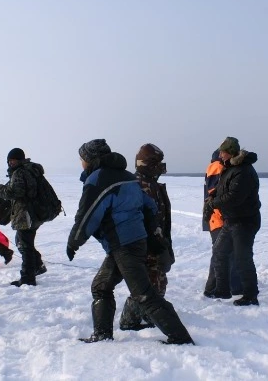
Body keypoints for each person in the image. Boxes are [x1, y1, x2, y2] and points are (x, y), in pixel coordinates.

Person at [67, 139, 194, 345]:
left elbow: (88, 214)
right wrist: (151, 232)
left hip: (124, 245)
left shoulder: (98, 179)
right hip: (131, 243)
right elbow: (150, 206)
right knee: (101, 286)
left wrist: (74, 241)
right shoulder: (127, 177)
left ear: (90, 159)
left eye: (82, 159)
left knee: (144, 295)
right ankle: (102, 334)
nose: (81, 163)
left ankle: (180, 337)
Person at [118, 143, 174, 331]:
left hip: (157, 244)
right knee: (145, 287)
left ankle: (150, 315)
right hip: (144, 246)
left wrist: (165, 245)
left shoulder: (152, 185)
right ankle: (129, 321)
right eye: (157, 163)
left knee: (158, 282)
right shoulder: (136, 186)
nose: (161, 167)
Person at [204, 137, 261, 306]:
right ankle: (223, 289)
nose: (220, 154)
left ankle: (250, 295)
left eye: (222, 152)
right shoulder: (230, 168)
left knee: (242, 258)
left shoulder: (243, 170)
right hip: (231, 220)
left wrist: (213, 203)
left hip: (244, 221)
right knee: (220, 252)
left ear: (230, 152)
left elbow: (234, 197)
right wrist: (213, 197)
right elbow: (222, 189)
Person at [0, 148, 47, 287]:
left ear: (19, 160)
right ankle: (38, 266)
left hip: (26, 213)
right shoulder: (30, 170)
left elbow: (16, 192)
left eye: (13, 160)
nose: (11, 163)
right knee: (24, 242)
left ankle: (28, 278)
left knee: (24, 245)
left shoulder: (20, 172)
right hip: (35, 213)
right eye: (9, 161)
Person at [202, 149, 242, 297]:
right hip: (219, 218)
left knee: (228, 253)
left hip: (220, 217)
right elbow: (216, 195)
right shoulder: (217, 167)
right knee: (221, 254)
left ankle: (234, 286)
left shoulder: (221, 168)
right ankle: (212, 288)